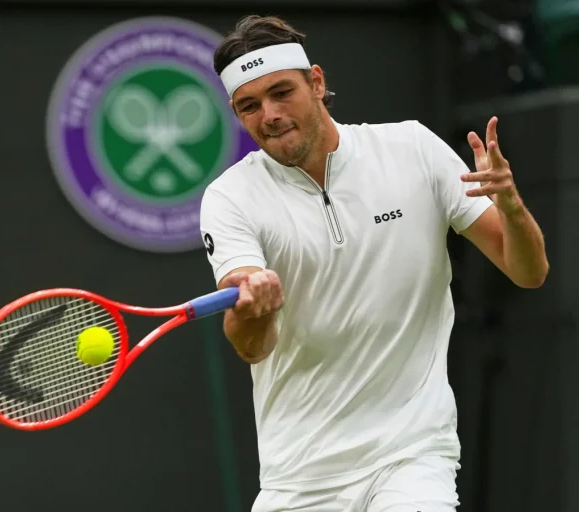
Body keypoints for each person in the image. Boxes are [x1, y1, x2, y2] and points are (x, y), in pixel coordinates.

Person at [199, 15, 549, 512]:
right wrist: (255, 309)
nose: (270, 114)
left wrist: (512, 211)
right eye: (249, 106)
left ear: (317, 82)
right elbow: (253, 348)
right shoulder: (229, 198)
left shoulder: (413, 149)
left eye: (282, 93)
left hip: (412, 454)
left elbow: (528, 272)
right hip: (300, 474)